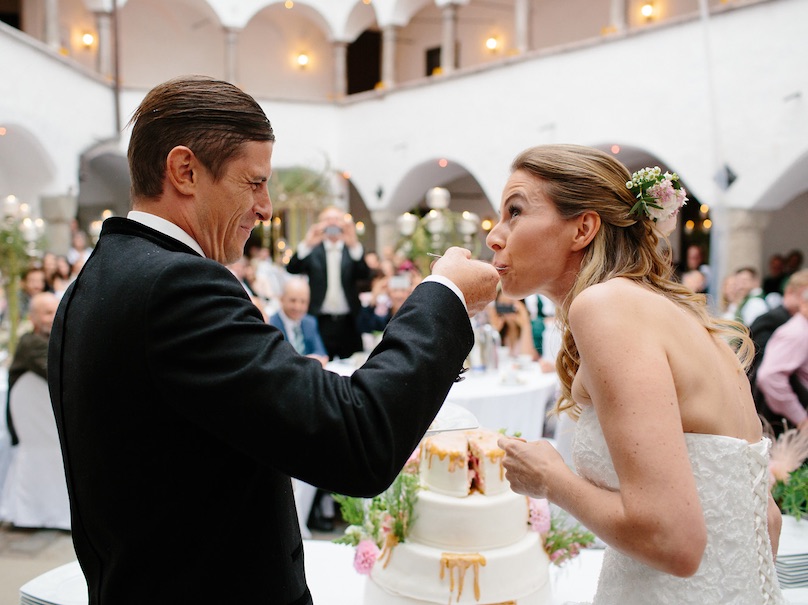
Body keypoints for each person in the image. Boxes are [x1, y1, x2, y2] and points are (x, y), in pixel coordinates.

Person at [47, 75, 499, 605]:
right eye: (253, 182)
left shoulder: (98, 278)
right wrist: (444, 297)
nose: (265, 208)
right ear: (185, 171)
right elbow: (357, 439)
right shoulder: (178, 288)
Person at [488, 145, 785, 604]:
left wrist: (552, 479)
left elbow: (673, 541)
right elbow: (767, 519)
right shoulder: (677, 315)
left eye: (514, 212)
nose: (495, 236)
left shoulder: (605, 307)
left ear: (583, 228)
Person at [287, 206, 370, 360]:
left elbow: (365, 275)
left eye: (336, 219)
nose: (332, 223)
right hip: (319, 320)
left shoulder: (351, 249)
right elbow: (292, 268)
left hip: (348, 321)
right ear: (319, 224)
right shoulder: (313, 250)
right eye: (327, 220)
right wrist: (308, 243)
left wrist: (354, 245)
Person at [749, 269, 808, 433]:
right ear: (790, 292)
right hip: (774, 413)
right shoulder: (778, 321)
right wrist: (801, 418)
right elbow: (765, 369)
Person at [5, 292, 59, 446]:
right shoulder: (31, 343)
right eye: (48, 313)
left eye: (58, 310)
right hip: (32, 432)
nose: (55, 316)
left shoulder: (48, 340)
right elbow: (60, 374)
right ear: (32, 318)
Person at [268, 277, 328, 367]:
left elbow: (322, 354)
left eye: (303, 302)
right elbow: (274, 362)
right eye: (293, 300)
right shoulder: (271, 325)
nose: (298, 307)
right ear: (282, 299)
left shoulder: (310, 322)